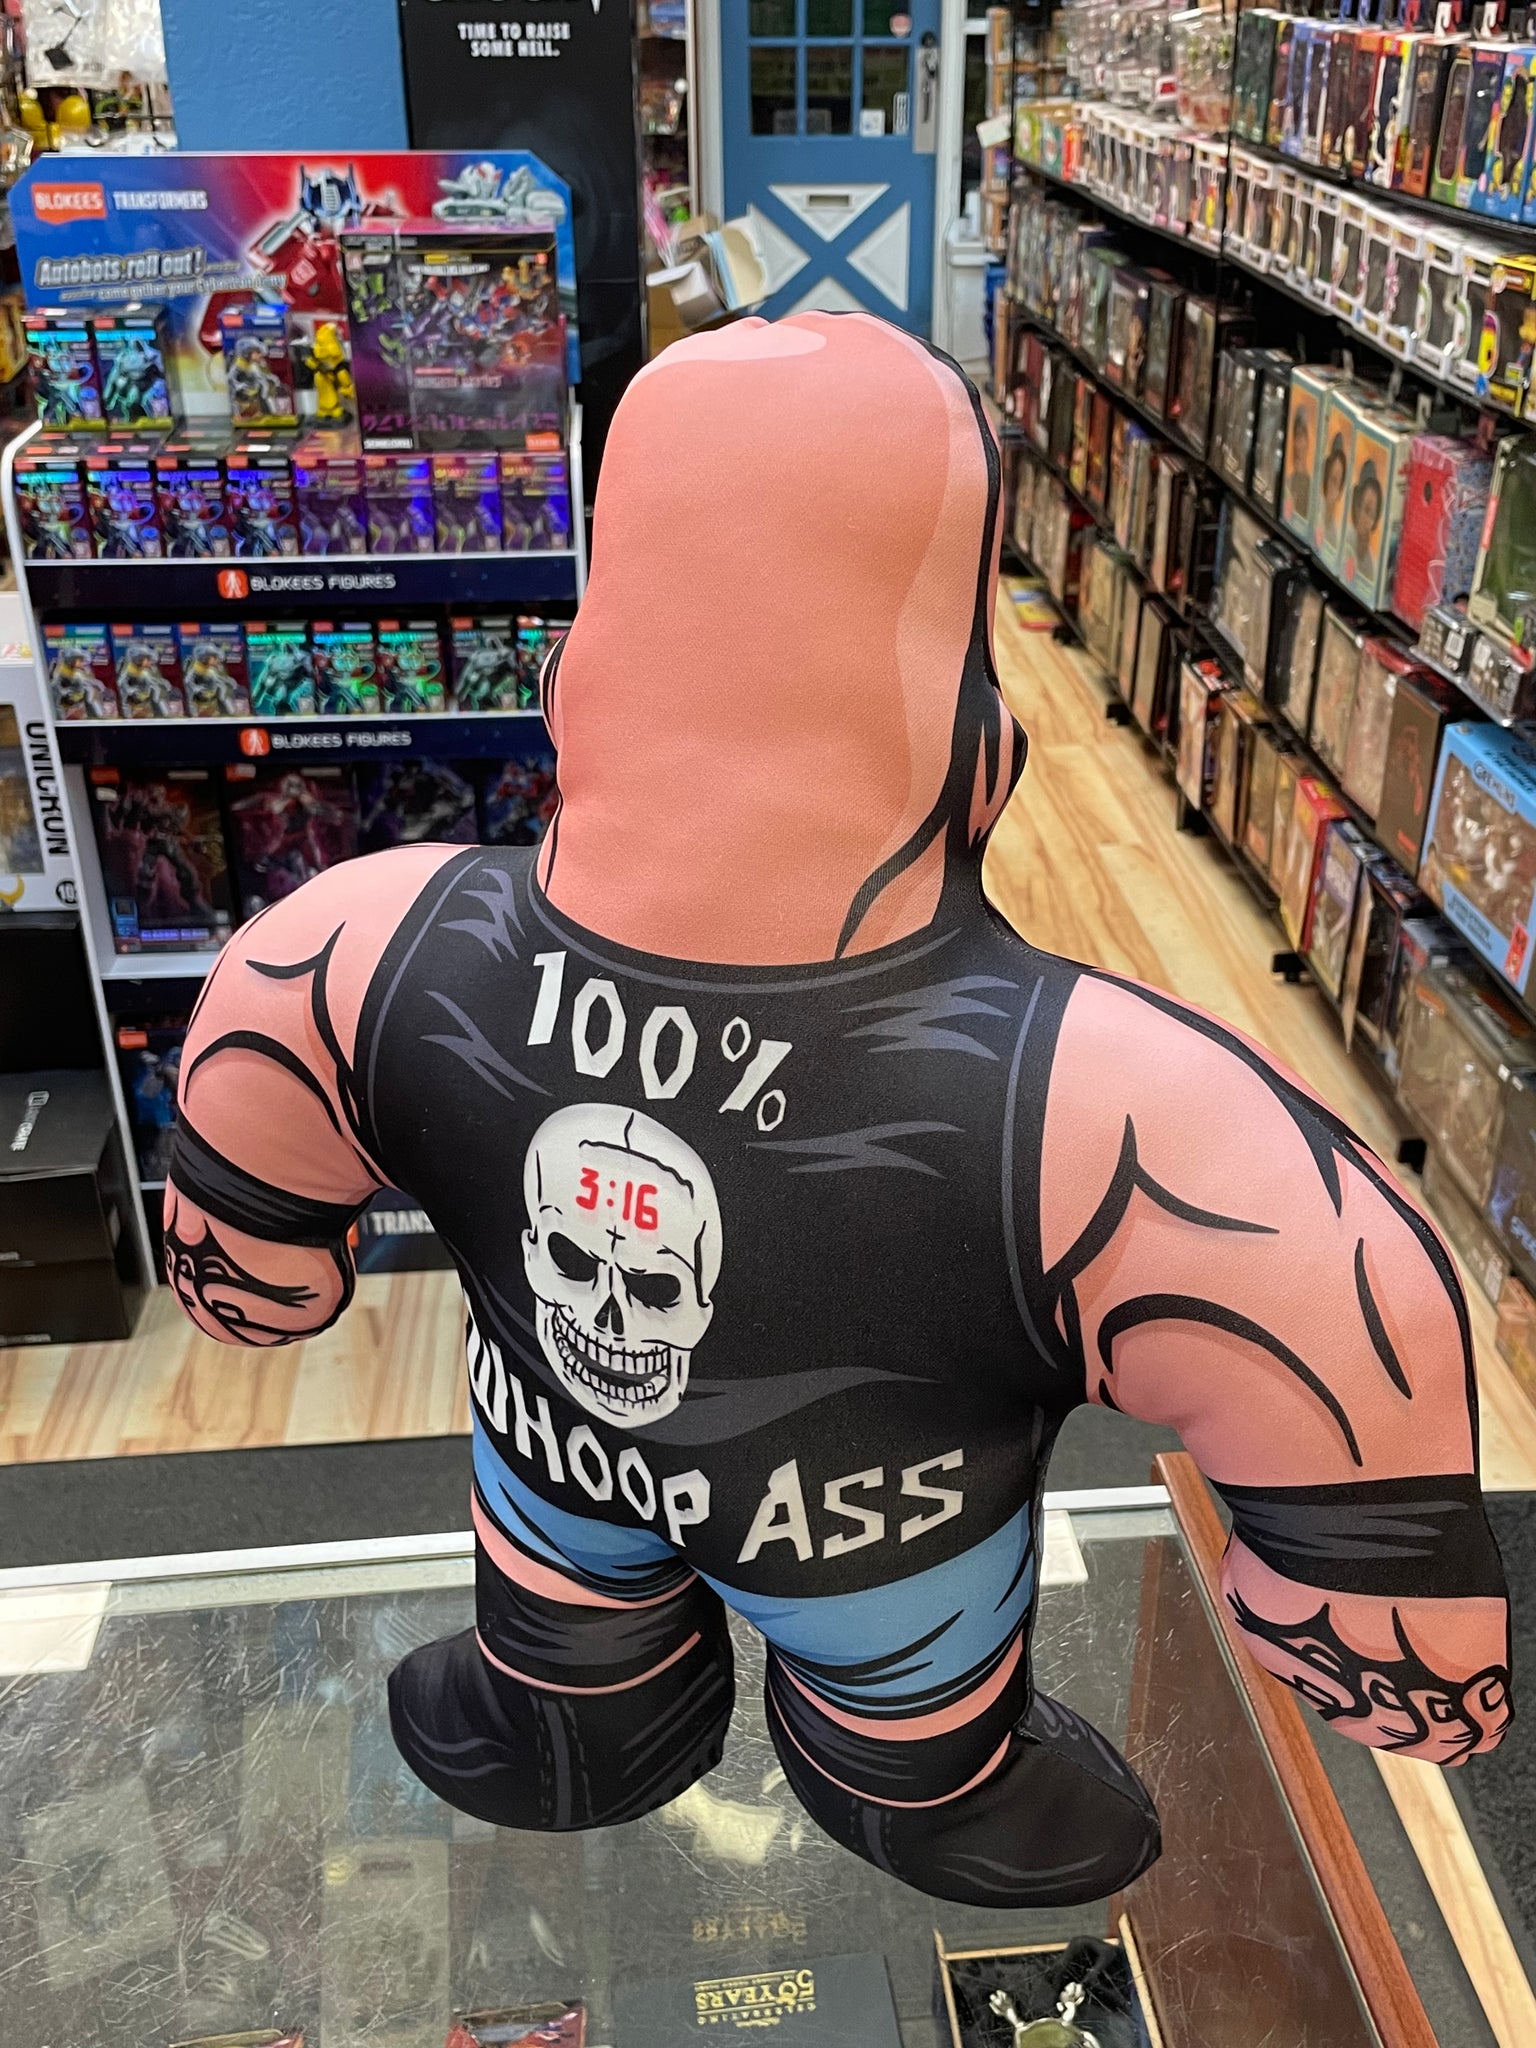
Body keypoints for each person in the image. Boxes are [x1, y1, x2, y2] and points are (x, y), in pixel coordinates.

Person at [160, 314, 1510, 1910]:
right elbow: (1317, 1298)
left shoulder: (389, 946)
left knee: (569, 1660)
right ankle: (915, 1789)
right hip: (893, 1568)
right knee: (914, 1744)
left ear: (571, 685)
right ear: (984, 751)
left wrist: (250, 1241)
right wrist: (1370, 1583)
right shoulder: (1076, 1099)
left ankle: (573, 1712)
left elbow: (256, 1158)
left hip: (553, 1479)